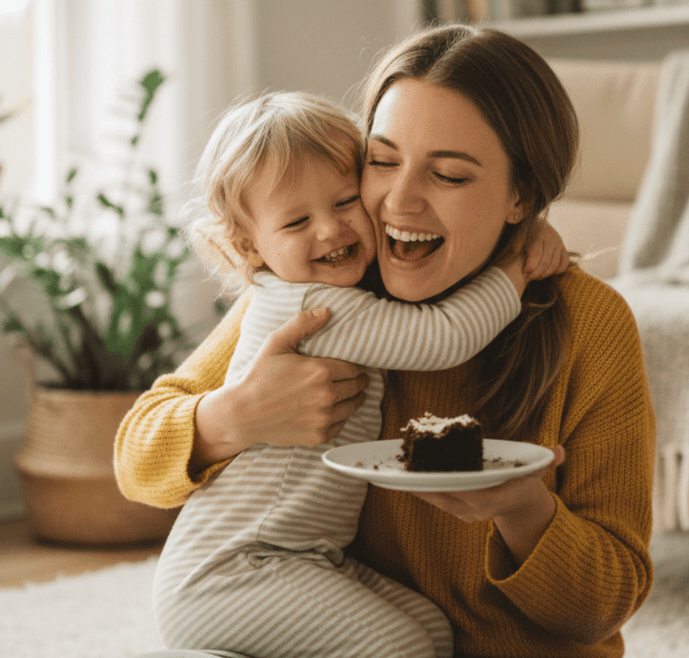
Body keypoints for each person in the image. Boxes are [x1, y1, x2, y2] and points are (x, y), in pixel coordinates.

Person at [117, 23, 656, 658]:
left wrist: (523, 511)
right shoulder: (329, 287)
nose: (399, 202)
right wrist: (233, 416)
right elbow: (135, 459)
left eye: (449, 175)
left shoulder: (589, 324)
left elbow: (602, 606)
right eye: (382, 161)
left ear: (521, 196)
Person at [151, 90, 568, 658]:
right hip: (232, 570)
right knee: (397, 646)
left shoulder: (334, 288)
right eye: (297, 220)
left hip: (300, 555)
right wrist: (515, 264)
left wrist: (518, 227)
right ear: (249, 245)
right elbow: (442, 336)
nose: (330, 230)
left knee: (430, 629)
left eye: (346, 202)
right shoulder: (311, 305)